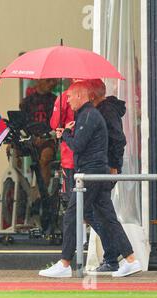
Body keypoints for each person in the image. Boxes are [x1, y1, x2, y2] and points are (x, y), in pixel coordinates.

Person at [39, 81, 141, 278]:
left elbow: (78, 145)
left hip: (90, 173)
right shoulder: (89, 115)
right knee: (108, 218)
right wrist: (67, 133)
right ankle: (131, 260)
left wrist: (66, 134)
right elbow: (81, 141)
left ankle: (65, 263)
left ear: (80, 95)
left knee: (72, 216)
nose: (67, 101)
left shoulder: (89, 115)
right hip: (96, 172)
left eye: (69, 96)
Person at [84, 79, 127, 273]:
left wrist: (114, 166)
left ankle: (114, 254)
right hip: (103, 167)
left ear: (91, 95)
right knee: (97, 212)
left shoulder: (106, 111)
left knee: (100, 213)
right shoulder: (101, 110)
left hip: (107, 168)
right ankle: (113, 253)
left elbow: (118, 139)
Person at [19, 79, 57, 187]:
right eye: (48, 81)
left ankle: (42, 192)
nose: (52, 83)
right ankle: (20, 186)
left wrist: (46, 136)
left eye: (52, 82)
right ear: (38, 82)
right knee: (12, 151)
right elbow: (22, 123)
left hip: (47, 139)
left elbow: (56, 125)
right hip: (30, 139)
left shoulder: (55, 101)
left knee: (45, 158)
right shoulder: (27, 102)